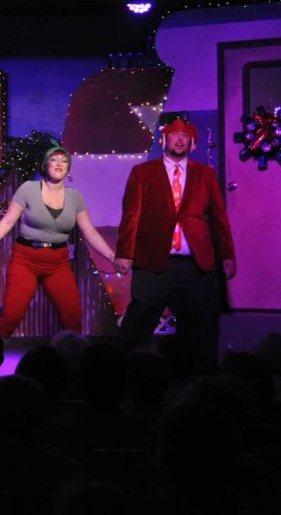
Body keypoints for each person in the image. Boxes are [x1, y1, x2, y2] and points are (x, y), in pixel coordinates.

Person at [114, 115, 236, 371]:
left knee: (203, 322)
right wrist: (124, 252)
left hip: (196, 263)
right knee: (140, 318)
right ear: (164, 139)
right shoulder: (143, 172)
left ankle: (201, 380)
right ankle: (123, 373)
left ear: (192, 143)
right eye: (174, 134)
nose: (180, 139)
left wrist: (226, 254)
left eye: (185, 136)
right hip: (154, 260)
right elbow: (131, 214)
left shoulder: (205, 174)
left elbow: (218, 217)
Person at [0, 144, 119, 339]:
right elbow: (8, 221)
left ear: (68, 168)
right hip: (25, 260)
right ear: (46, 165)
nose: (59, 163)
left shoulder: (75, 197)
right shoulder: (28, 189)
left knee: (73, 319)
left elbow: (91, 233)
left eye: (64, 160)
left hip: (58, 263)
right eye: (54, 159)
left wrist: (113, 257)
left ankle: (73, 365)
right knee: (10, 317)